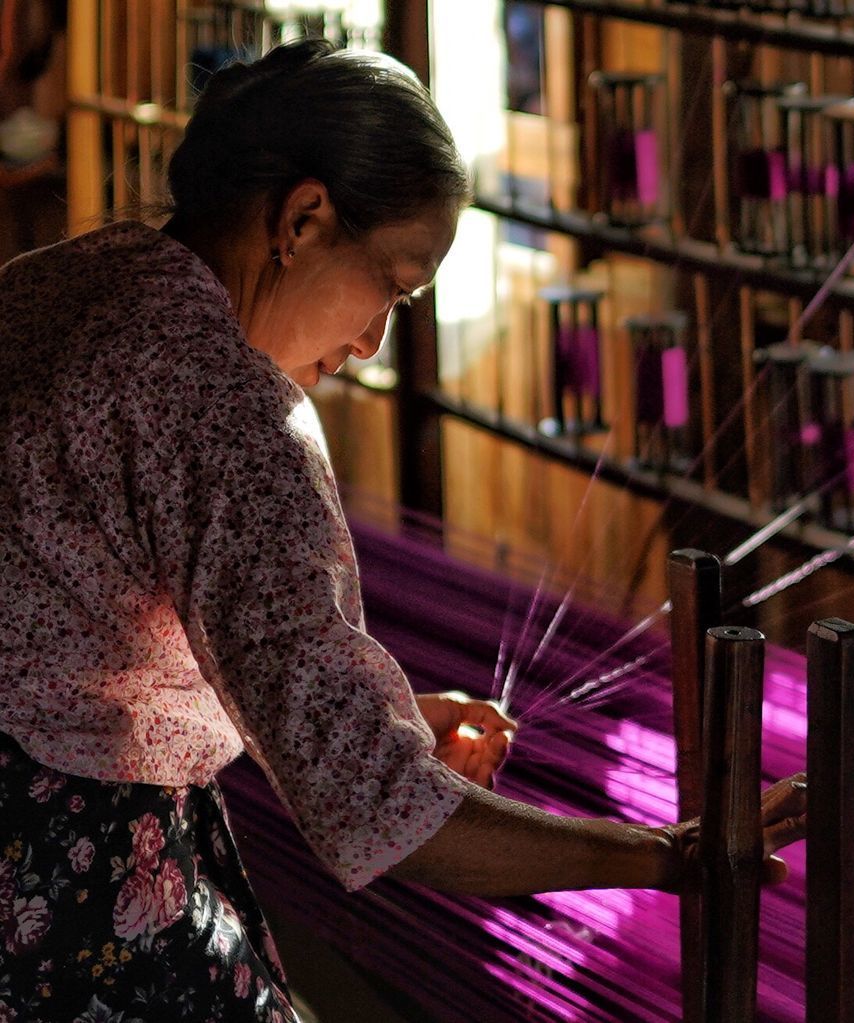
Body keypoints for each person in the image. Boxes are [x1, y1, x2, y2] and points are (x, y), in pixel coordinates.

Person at [0, 39, 807, 1022]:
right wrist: (667, 855)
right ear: (301, 219)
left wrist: (371, 708)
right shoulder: (229, 413)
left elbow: (78, 613)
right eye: (391, 283)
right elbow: (381, 810)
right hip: (47, 865)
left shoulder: (64, 280)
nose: (375, 341)